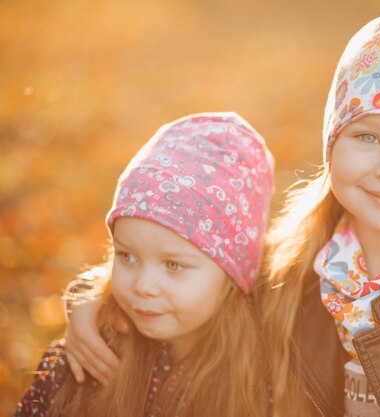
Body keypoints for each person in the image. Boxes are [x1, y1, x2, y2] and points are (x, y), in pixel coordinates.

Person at [61, 2, 380, 416]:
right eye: (367, 136)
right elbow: (194, 280)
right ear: (332, 146)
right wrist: (92, 300)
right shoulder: (292, 269)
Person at [14, 112, 274, 417]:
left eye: (173, 265)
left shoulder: (266, 378)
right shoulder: (85, 359)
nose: (142, 286)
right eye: (127, 256)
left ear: (233, 273)